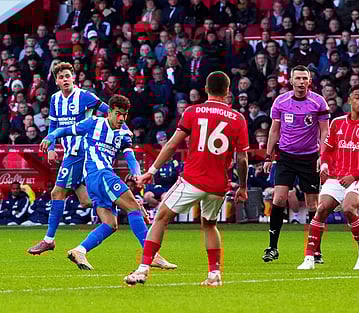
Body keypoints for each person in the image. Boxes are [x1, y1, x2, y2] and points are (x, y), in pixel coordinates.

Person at [124, 71, 249, 287]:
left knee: (161, 217)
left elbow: (172, 144)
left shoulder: (193, 112)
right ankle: (214, 274)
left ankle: (143, 269)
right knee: (210, 224)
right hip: (219, 184)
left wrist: (150, 171)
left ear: (206, 89)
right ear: (228, 91)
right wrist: (243, 187)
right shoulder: (238, 118)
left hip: (193, 179)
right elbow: (243, 159)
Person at [39, 94, 176, 270]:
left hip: (97, 181)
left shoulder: (125, 133)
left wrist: (137, 174)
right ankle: (152, 255)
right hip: (100, 174)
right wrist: (50, 137)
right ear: (109, 112)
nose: (121, 118)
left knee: (110, 224)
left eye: (124, 115)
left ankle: (79, 251)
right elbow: (64, 130)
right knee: (134, 207)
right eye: (118, 113)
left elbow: (130, 157)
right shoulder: (93, 123)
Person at [297, 83, 359, 270]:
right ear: (349, 100)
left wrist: (354, 176)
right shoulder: (337, 123)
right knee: (321, 210)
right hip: (337, 176)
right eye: (358, 97)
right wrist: (326, 164)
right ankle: (309, 258)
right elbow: (327, 150)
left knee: (348, 208)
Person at [27, 62, 110, 255]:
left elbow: (109, 112)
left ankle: (49, 240)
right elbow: (53, 125)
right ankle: (122, 201)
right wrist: (51, 147)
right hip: (69, 151)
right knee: (86, 200)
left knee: (57, 193)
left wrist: (105, 132)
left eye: (68, 76)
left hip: (81, 152)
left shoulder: (85, 96)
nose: (65, 79)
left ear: (74, 77)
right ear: (56, 81)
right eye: (61, 77)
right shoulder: (55, 99)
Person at [262, 65, 329, 263]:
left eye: (304, 78)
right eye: (298, 78)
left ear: (309, 81)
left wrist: (322, 155)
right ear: (291, 81)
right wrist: (268, 156)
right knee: (278, 198)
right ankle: (272, 247)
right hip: (286, 157)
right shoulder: (281, 101)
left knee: (313, 205)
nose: (301, 82)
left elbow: (325, 131)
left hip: (309, 158)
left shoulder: (318, 102)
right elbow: (274, 131)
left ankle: (315, 250)